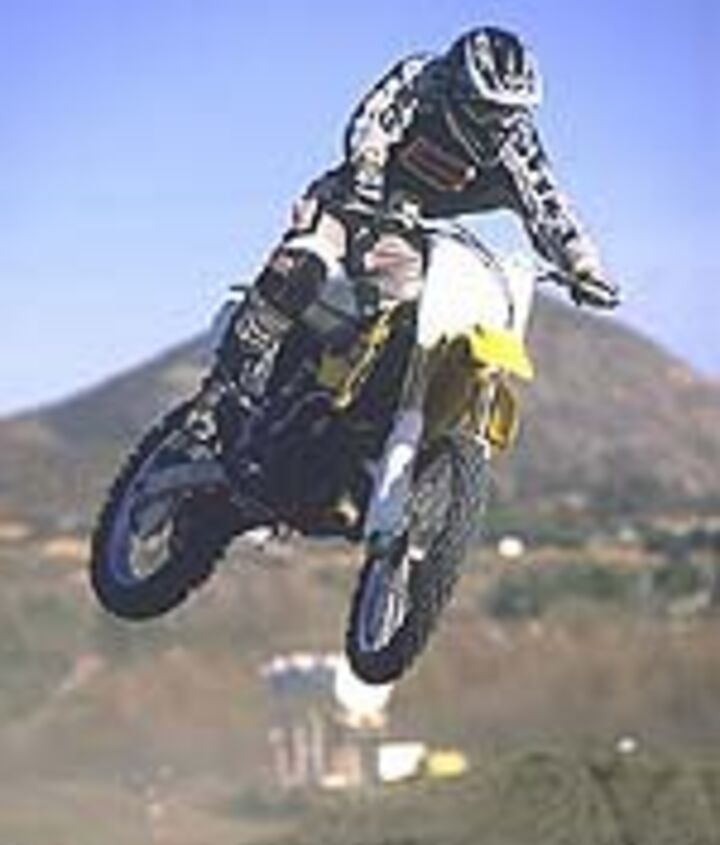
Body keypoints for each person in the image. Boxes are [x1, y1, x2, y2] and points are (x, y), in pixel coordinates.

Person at [223, 25, 620, 400]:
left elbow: (550, 206)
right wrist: (367, 174)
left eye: (513, 112)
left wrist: (584, 267)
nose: (501, 125)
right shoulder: (421, 81)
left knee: (409, 311)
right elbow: (370, 126)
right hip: (350, 203)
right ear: (457, 91)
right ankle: (220, 391)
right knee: (303, 265)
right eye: (489, 110)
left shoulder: (517, 142)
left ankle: (356, 407)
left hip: (407, 235)